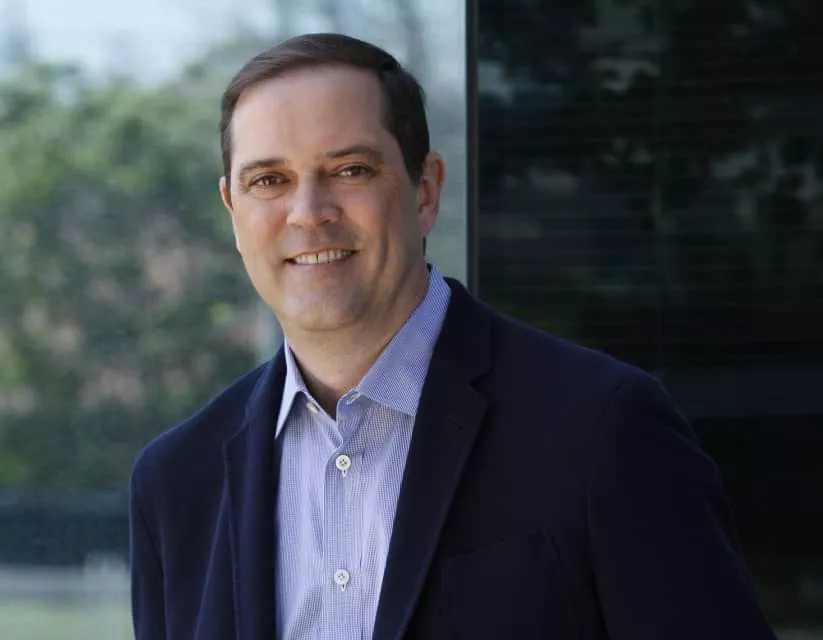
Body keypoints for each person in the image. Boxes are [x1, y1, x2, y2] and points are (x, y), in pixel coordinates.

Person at [129, 32, 777, 640]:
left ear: (425, 190)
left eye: (350, 170)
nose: (308, 213)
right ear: (233, 211)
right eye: (269, 181)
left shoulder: (602, 429)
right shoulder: (175, 484)